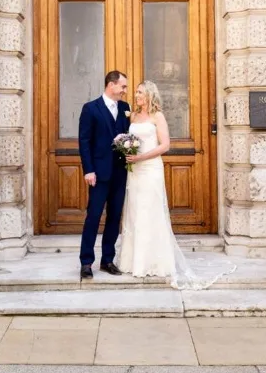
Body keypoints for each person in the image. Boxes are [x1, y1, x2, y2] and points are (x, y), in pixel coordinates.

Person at [118, 81, 230, 289]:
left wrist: (141, 157)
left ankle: (155, 261)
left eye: (140, 92)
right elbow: (129, 139)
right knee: (134, 211)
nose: (136, 95)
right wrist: (127, 150)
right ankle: (134, 261)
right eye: (136, 92)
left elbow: (165, 145)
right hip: (135, 172)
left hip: (150, 169)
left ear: (150, 95)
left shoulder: (157, 116)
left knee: (151, 211)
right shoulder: (133, 116)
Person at [77, 70, 130, 279]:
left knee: (114, 217)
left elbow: (128, 137)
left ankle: (107, 260)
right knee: (93, 217)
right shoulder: (91, 108)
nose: (125, 91)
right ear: (111, 85)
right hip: (98, 174)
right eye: (123, 86)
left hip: (120, 173)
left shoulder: (125, 108)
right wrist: (88, 170)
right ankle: (86, 262)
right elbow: (84, 141)